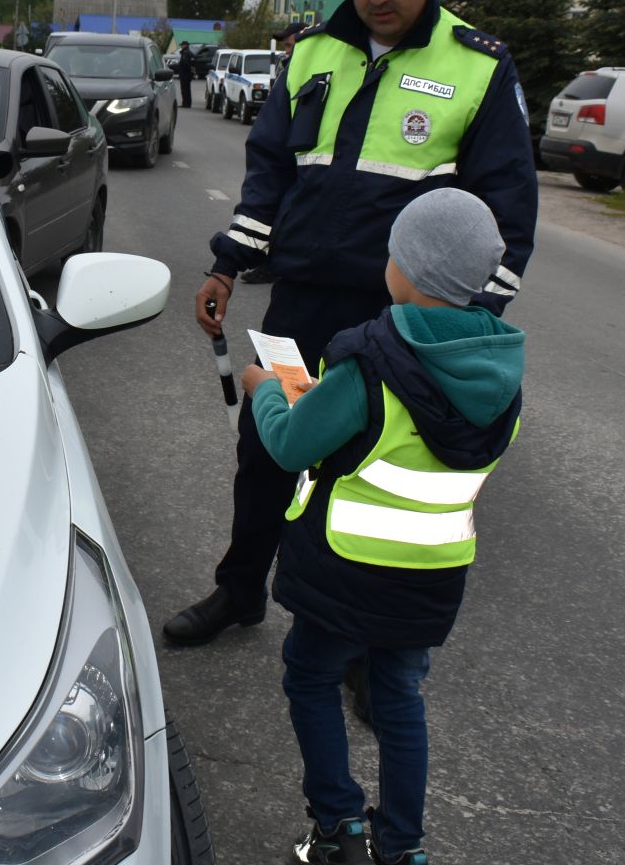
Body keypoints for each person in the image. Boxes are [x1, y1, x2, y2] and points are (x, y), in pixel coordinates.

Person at [164, 0, 537, 648]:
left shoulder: (477, 64)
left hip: (401, 317)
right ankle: (240, 591)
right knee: (269, 450)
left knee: (372, 473)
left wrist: (468, 329)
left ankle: (366, 638)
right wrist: (227, 265)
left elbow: (508, 218)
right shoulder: (310, 52)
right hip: (302, 301)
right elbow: (270, 172)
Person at [240, 188, 523, 865]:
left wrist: (268, 390)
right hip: (430, 573)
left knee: (310, 678)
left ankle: (338, 825)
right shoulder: (500, 371)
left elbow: (289, 446)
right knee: (398, 697)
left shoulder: (369, 357)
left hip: (346, 567)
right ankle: (403, 846)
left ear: (407, 267)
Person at [177, 42, 197, 109]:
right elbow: (193, 62)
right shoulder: (189, 52)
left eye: (182, 45)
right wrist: (192, 69)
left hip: (184, 74)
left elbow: (185, 63)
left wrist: (188, 68)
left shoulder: (185, 53)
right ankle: (188, 103)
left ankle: (185, 103)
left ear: (185, 45)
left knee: (184, 89)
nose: (181, 46)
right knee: (187, 89)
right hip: (188, 74)